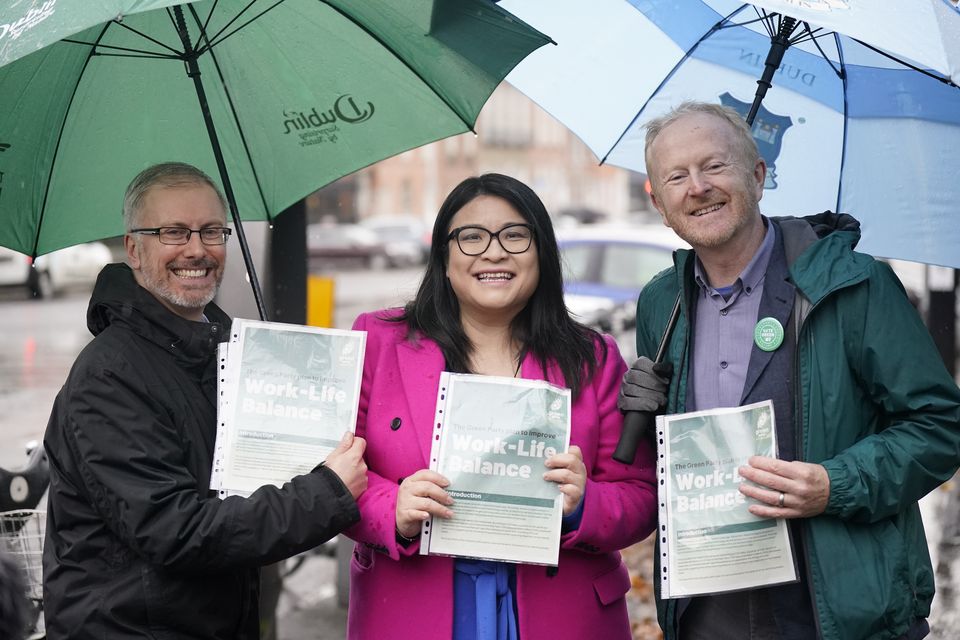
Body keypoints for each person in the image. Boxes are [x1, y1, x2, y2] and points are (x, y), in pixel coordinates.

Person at [619, 101, 960, 640]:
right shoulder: (663, 303)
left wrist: (835, 484)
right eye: (676, 176)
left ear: (757, 175)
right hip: (708, 610)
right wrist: (644, 415)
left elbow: (939, 425)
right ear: (660, 204)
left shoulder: (853, 285)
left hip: (840, 612)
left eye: (715, 166)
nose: (698, 187)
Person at [42, 162, 368, 639]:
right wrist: (326, 493)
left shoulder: (221, 350)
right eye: (174, 232)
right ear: (134, 248)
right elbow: (176, 531)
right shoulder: (109, 376)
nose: (197, 249)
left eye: (212, 231)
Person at [344, 173, 658, 639]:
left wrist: (582, 503)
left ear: (541, 254)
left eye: (515, 235)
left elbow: (640, 493)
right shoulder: (379, 340)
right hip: (413, 607)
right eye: (471, 237)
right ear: (444, 259)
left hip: (562, 612)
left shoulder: (593, 356)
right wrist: (393, 508)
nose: (494, 251)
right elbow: (331, 473)